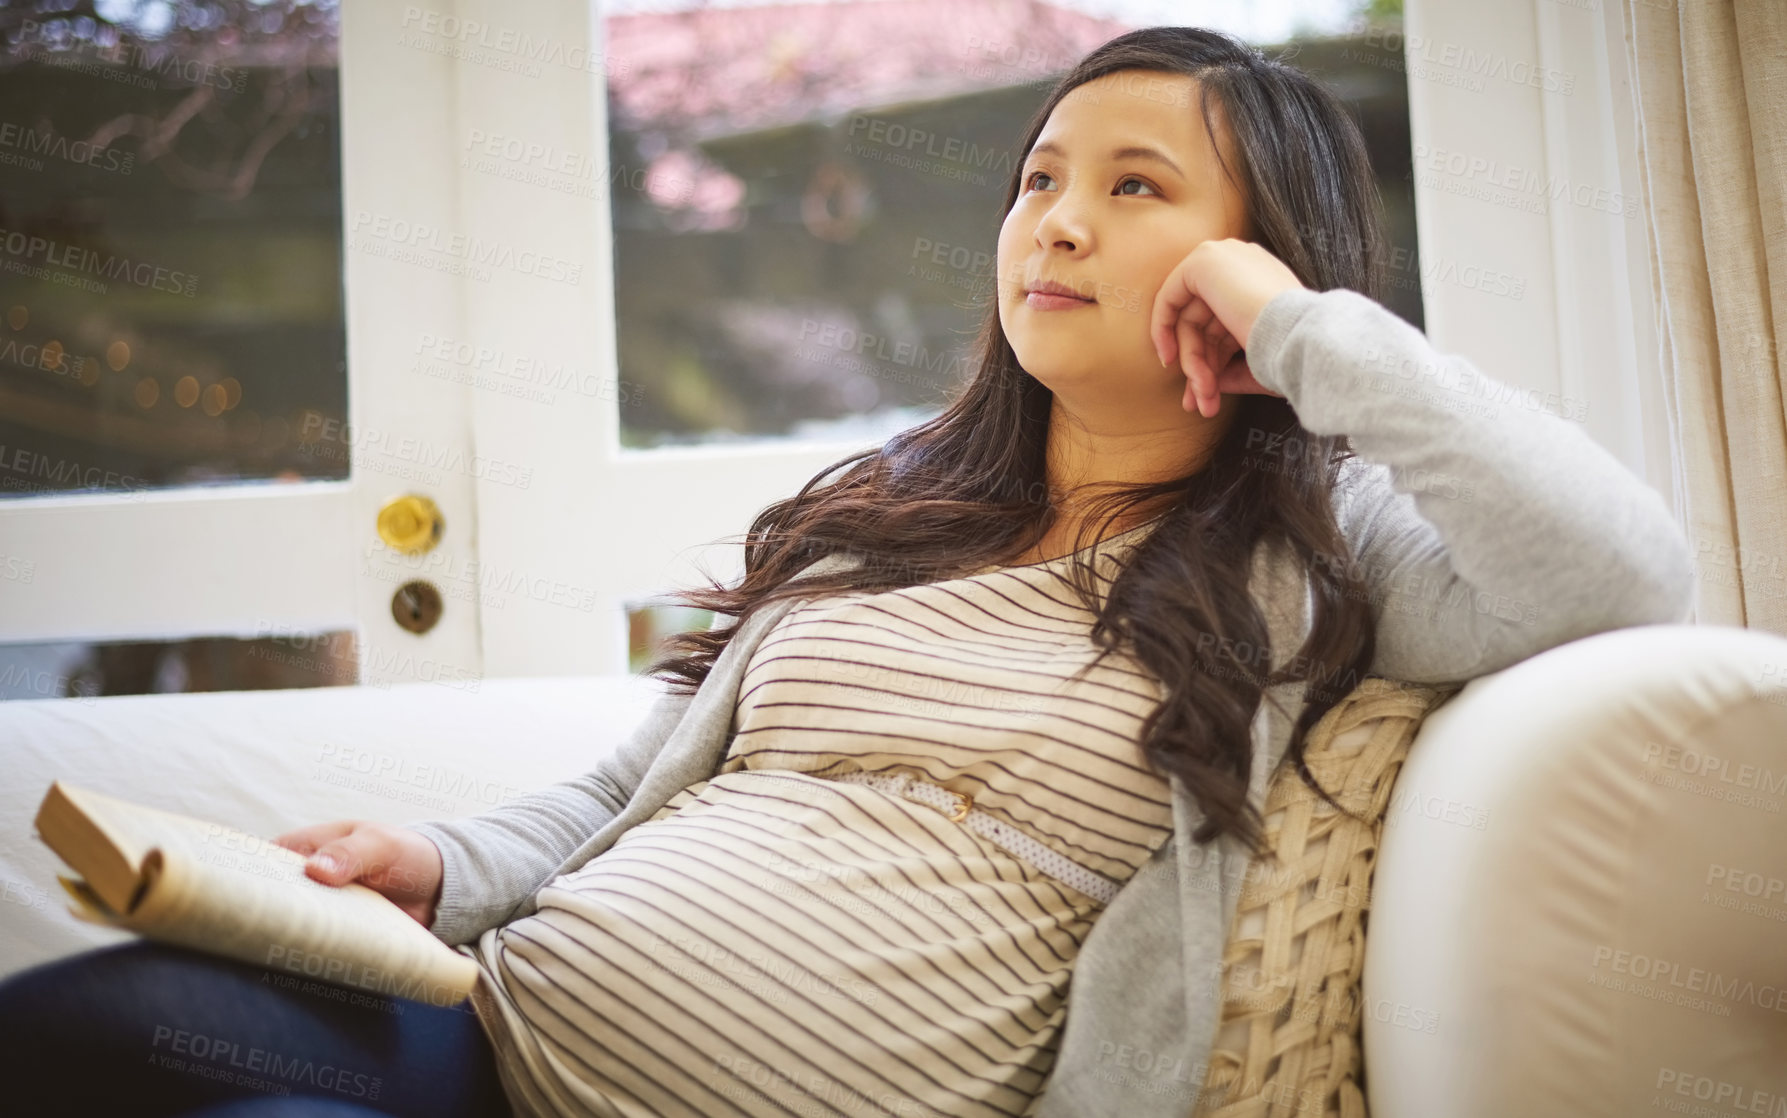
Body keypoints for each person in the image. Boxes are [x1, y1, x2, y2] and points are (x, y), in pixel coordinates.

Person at [0, 24, 1695, 1118]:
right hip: (502, 1038)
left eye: (1135, 186)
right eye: (1040, 180)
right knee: (80, 1026)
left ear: (1252, 253)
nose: (1055, 220)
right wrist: (440, 861)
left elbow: (1615, 566)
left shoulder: (1316, 560)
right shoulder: (895, 506)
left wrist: (1290, 322)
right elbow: (633, 789)